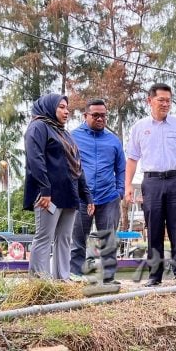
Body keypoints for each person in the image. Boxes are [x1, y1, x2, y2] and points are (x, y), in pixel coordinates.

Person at [125, 83, 176, 286]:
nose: (165, 104)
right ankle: (154, 275)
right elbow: (132, 159)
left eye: (169, 100)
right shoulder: (139, 127)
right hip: (151, 182)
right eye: (161, 100)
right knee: (154, 228)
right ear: (150, 101)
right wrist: (128, 186)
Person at [24, 94, 94, 279]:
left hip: (69, 194)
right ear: (49, 107)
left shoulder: (64, 133)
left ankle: (62, 279)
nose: (66, 111)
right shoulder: (38, 127)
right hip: (49, 195)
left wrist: (86, 196)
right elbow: (35, 159)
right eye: (61, 107)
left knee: (64, 238)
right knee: (44, 237)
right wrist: (44, 190)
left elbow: (78, 166)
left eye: (67, 108)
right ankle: (40, 282)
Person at [69, 99, 125, 284]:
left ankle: (108, 278)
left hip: (108, 197)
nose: (100, 118)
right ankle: (75, 277)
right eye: (96, 115)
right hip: (81, 198)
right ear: (85, 116)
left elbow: (121, 168)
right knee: (77, 240)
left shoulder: (113, 141)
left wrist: (120, 191)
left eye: (103, 115)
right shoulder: (73, 137)